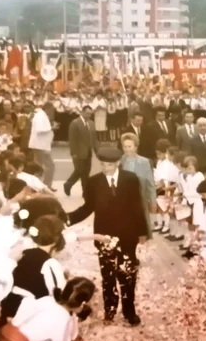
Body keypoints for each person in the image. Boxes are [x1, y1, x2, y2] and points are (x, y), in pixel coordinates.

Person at [67, 148, 148, 326]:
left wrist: (142, 231)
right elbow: (87, 208)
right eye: (103, 164)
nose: (106, 168)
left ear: (118, 163)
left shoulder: (130, 179)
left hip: (128, 235)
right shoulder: (93, 182)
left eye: (110, 164)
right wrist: (67, 219)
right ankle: (110, 310)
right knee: (108, 275)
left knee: (127, 275)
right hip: (104, 236)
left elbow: (136, 206)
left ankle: (129, 311)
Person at [120, 133, 157, 238]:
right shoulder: (119, 162)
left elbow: (150, 183)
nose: (127, 149)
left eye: (129, 146)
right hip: (123, 200)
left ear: (135, 147)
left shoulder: (145, 162)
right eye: (125, 146)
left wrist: (153, 201)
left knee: (141, 228)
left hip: (140, 199)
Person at [64, 104, 96, 197]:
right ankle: (68, 184)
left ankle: (85, 192)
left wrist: (97, 151)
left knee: (86, 172)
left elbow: (94, 138)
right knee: (79, 170)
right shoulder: (75, 123)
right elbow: (72, 139)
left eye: (90, 114)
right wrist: (73, 153)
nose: (88, 115)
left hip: (88, 152)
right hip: (78, 152)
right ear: (82, 112)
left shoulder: (91, 123)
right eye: (87, 113)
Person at [29, 102, 56, 191]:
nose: (53, 113)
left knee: (40, 166)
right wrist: (52, 127)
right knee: (49, 166)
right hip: (40, 146)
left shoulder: (42, 116)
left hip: (42, 145)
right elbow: (40, 130)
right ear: (48, 109)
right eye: (52, 110)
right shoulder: (40, 116)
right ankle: (45, 186)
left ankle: (42, 185)